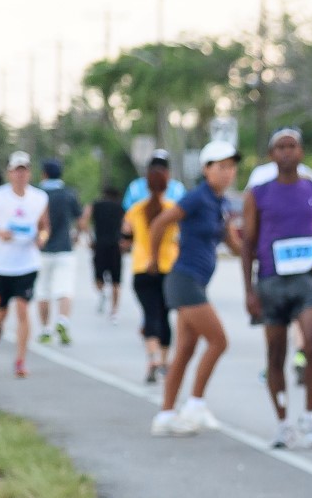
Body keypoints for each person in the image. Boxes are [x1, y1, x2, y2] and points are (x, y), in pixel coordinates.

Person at [241, 128, 312, 449]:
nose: (287, 152)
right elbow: (247, 244)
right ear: (272, 155)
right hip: (271, 281)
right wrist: (249, 290)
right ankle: (283, 421)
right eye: (280, 147)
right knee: (276, 353)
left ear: (301, 153)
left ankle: (310, 416)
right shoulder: (258, 194)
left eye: (292, 147)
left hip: (306, 281)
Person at [147, 141, 242, 435]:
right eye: (221, 167)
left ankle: (165, 416)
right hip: (183, 280)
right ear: (206, 169)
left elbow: (233, 244)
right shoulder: (197, 197)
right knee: (219, 341)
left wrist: (259, 254)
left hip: (196, 283)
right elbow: (160, 222)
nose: (227, 173)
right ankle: (195, 404)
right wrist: (153, 259)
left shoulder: (220, 203)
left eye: (231, 167)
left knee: (186, 350)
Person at [0, 151, 50, 378]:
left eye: (24, 169)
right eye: (16, 170)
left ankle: (20, 361)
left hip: (27, 264)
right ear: (9, 172)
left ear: (29, 172)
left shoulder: (39, 197)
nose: (20, 174)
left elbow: (45, 226)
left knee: (23, 310)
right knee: (0, 314)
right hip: (2, 265)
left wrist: (41, 238)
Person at [121, 170, 179, 384]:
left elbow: (125, 236)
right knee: (164, 316)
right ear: (167, 186)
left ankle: (152, 357)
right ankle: (164, 361)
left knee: (150, 314)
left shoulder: (135, 210)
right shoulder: (173, 209)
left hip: (142, 270)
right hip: (168, 269)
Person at [35, 159, 83, 345]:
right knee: (65, 289)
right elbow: (80, 220)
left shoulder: (38, 194)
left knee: (43, 290)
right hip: (64, 248)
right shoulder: (68, 194)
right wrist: (78, 235)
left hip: (42, 249)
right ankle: (62, 320)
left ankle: (46, 329)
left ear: (44, 173)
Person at [83, 183, 125, 321]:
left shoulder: (95, 205)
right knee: (116, 280)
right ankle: (114, 311)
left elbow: (84, 221)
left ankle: (101, 294)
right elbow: (127, 225)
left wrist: (89, 237)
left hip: (99, 245)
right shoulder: (120, 208)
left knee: (98, 277)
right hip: (115, 246)